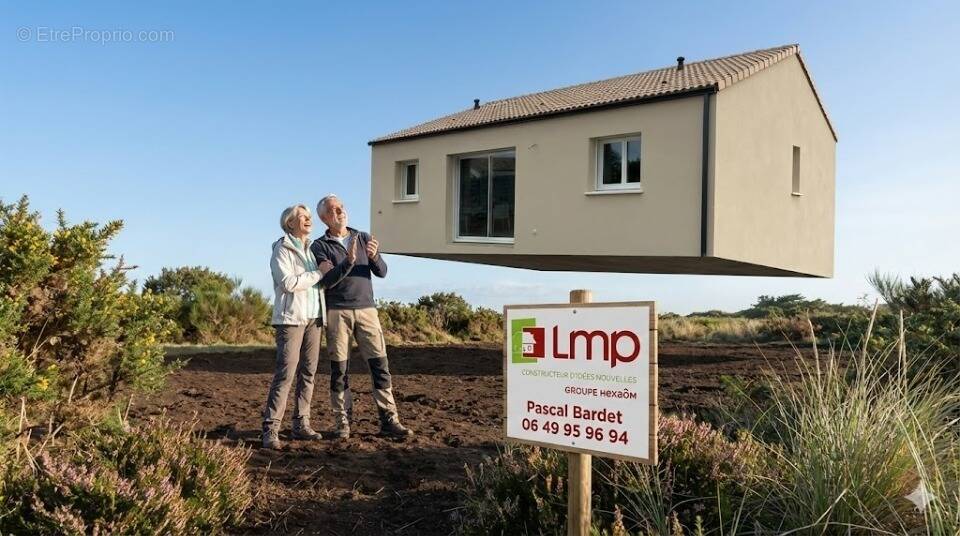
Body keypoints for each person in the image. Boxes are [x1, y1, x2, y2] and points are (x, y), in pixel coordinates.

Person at [312, 194, 412, 439]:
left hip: (367, 310)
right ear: (324, 218)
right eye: (334, 210)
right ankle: (342, 423)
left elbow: (383, 272)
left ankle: (389, 420)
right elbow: (327, 280)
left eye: (342, 207)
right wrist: (348, 262)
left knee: (380, 365)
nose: (340, 212)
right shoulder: (319, 246)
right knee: (340, 369)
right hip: (337, 312)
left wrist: (375, 256)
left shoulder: (363, 237)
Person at [262, 204, 338, 449]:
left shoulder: (312, 249)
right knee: (286, 374)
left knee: (309, 373)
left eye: (308, 217)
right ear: (290, 223)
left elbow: (320, 281)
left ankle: (301, 425)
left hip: (314, 319)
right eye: (303, 217)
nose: (308, 220)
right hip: (291, 321)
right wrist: (318, 274)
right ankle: (271, 429)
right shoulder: (281, 249)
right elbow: (287, 283)